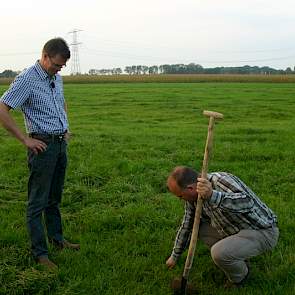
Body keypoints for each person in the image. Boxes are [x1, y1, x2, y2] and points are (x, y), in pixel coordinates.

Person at [0, 38, 80, 269]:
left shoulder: (56, 78)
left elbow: (61, 102)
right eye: (56, 64)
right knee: (38, 201)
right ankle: (40, 254)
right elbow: (3, 107)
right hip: (42, 146)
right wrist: (25, 139)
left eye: (61, 66)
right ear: (44, 56)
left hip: (59, 143)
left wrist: (66, 127)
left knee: (54, 198)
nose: (58, 69)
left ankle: (57, 240)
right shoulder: (27, 79)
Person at [166, 166, 279, 288]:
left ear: (190, 188)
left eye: (180, 196)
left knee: (219, 253)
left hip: (262, 231)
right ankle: (236, 257)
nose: (180, 200)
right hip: (236, 229)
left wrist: (212, 195)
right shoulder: (193, 198)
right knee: (199, 228)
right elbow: (187, 225)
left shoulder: (221, 181)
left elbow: (247, 202)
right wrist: (175, 255)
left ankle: (240, 277)